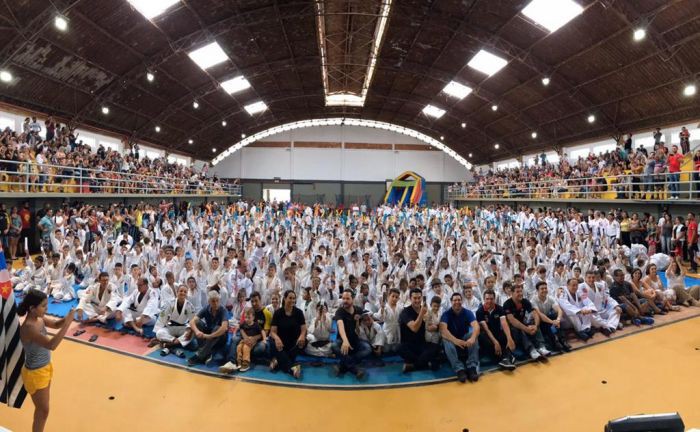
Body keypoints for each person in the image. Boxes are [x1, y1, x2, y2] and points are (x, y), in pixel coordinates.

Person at [18, 289, 74, 432]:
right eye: (43, 306)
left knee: (43, 410)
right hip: (35, 374)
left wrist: (67, 317)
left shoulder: (39, 319)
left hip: (45, 367)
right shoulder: (29, 327)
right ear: (32, 308)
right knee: (43, 411)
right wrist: (68, 324)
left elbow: (56, 325)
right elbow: (52, 345)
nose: (47, 309)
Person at [439, 292, 480, 383]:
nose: (457, 302)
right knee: (445, 339)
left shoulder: (467, 312)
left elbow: (476, 326)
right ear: (451, 302)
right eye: (455, 300)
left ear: (462, 301)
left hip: (463, 338)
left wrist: (472, 338)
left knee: (473, 335)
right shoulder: (446, 314)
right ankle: (459, 369)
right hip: (453, 339)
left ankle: (472, 367)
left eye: (459, 300)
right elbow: (443, 330)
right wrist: (455, 340)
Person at [398, 288, 440, 373]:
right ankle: (426, 363)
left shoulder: (427, 310)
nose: (417, 300)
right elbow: (414, 328)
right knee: (400, 348)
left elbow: (433, 324)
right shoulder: (405, 312)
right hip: (409, 345)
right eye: (415, 298)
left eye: (419, 298)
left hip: (422, 344)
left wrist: (435, 327)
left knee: (436, 348)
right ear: (410, 298)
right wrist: (421, 314)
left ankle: (413, 366)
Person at [332, 290, 371, 379]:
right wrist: (345, 341)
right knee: (334, 345)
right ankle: (355, 369)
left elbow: (361, 326)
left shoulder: (358, 310)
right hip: (342, 341)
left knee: (368, 348)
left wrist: (359, 320)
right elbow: (340, 325)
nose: (345, 300)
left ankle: (343, 365)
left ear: (352, 299)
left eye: (347, 298)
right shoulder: (340, 311)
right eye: (343, 298)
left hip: (355, 340)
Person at [504, 285, 550, 359]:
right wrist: (527, 329)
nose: (520, 293)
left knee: (533, 323)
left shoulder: (525, 301)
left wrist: (535, 326)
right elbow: (512, 321)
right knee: (520, 327)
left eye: (521, 291)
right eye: (517, 292)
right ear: (512, 293)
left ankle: (541, 347)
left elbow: (535, 313)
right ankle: (531, 350)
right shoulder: (507, 304)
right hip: (512, 330)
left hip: (522, 324)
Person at [269, 290, 306, 379]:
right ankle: (292, 368)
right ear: (284, 299)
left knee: (304, 341)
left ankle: (278, 361)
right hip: (281, 342)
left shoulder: (299, 313)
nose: (292, 300)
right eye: (290, 298)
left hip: (294, 342)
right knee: (272, 341)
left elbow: (304, 329)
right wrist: (277, 339)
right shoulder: (278, 313)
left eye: (294, 298)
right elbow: (272, 332)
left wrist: (301, 336)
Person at [476, 289, 517, 370]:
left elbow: (504, 323)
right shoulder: (480, 311)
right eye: (487, 299)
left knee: (510, 331)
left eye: (491, 299)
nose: (489, 301)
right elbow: (486, 329)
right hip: (487, 335)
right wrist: (495, 342)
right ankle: (506, 358)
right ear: (484, 299)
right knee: (482, 337)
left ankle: (506, 359)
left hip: (497, 333)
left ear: (494, 299)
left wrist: (509, 338)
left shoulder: (500, 308)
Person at [188, 290, 229, 365]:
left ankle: (200, 356)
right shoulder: (206, 308)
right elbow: (192, 322)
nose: (216, 303)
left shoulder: (223, 310)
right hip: (209, 334)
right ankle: (206, 351)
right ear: (209, 302)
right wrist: (197, 331)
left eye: (217, 301)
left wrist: (209, 336)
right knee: (198, 323)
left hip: (221, 337)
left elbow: (223, 328)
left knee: (217, 328)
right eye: (213, 301)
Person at [154, 285, 196, 357]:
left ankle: (168, 345)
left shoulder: (190, 305)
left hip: (182, 328)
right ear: (177, 292)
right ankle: (176, 343)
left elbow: (192, 320)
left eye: (185, 292)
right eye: (181, 291)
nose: (182, 293)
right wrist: (157, 332)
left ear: (186, 294)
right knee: (159, 333)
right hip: (170, 327)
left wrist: (190, 330)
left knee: (192, 334)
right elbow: (162, 317)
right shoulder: (170, 303)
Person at [532, 282, 571, 352]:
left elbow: (559, 310)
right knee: (548, 324)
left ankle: (563, 341)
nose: (544, 290)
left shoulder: (550, 298)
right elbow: (540, 315)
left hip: (546, 319)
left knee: (558, 318)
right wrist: (553, 322)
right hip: (536, 322)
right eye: (542, 289)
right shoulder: (533, 300)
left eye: (545, 288)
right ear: (537, 291)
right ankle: (555, 343)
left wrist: (558, 320)